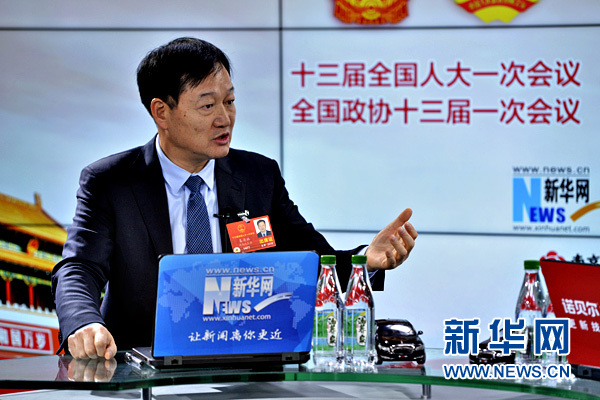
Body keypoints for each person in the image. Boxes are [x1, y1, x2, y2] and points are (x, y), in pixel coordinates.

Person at [51, 37, 418, 360]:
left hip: (243, 367)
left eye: (229, 101)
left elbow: (311, 260)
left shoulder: (258, 176)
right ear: (162, 112)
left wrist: (366, 261)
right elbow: (79, 268)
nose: (224, 118)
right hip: (141, 370)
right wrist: (83, 323)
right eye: (207, 106)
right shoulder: (112, 182)